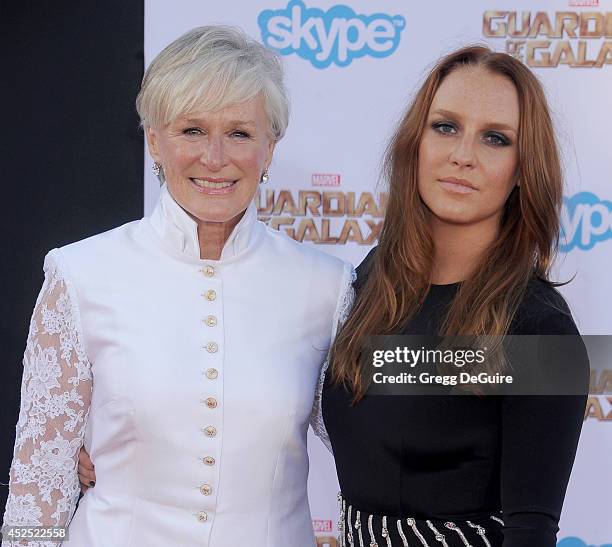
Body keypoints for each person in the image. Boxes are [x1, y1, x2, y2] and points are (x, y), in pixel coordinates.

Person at [2, 26, 353, 546]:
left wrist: (515, 365)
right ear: (153, 140)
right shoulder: (81, 275)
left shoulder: (328, 286)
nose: (215, 157)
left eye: (239, 132)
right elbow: (39, 483)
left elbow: (382, 449)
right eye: (191, 130)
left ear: (270, 146)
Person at [317, 46, 589, 546]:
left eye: (496, 138)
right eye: (445, 126)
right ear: (413, 143)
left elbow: (530, 531)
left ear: (525, 167)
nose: (463, 155)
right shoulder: (373, 279)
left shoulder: (539, 326)